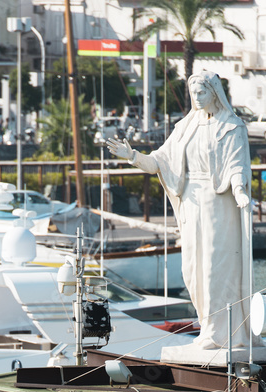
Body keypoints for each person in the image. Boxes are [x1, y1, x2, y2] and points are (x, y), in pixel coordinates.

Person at [106, 70, 252, 351]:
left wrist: (240, 191)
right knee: (192, 270)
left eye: (202, 93)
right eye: (193, 93)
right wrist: (133, 156)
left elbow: (237, 166)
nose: (196, 99)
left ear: (214, 93)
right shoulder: (185, 127)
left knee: (214, 269)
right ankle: (207, 328)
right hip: (190, 204)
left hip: (218, 204)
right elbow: (159, 162)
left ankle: (220, 334)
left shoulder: (232, 127)